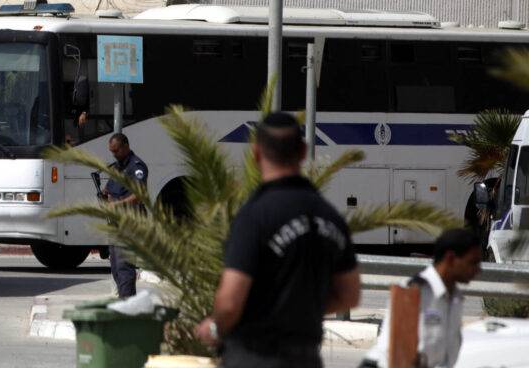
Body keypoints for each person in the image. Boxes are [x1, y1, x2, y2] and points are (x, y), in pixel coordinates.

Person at [197, 112, 361, 368]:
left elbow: (230, 302)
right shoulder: (330, 216)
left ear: (256, 154)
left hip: (255, 357)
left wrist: (214, 328)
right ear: (304, 151)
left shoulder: (255, 216)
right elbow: (350, 295)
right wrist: (300, 311)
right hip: (305, 359)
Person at [361, 228, 483, 368]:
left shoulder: (456, 299)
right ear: (450, 259)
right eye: (473, 262)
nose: (478, 270)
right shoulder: (413, 291)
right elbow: (394, 354)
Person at [100, 133, 148, 297]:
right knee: (115, 266)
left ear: (126, 146)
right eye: (112, 151)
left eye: (117, 151)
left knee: (124, 266)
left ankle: (128, 306)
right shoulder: (117, 167)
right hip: (115, 223)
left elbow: (139, 195)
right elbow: (110, 189)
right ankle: (123, 300)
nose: (114, 154)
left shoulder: (137, 167)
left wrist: (117, 204)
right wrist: (105, 195)